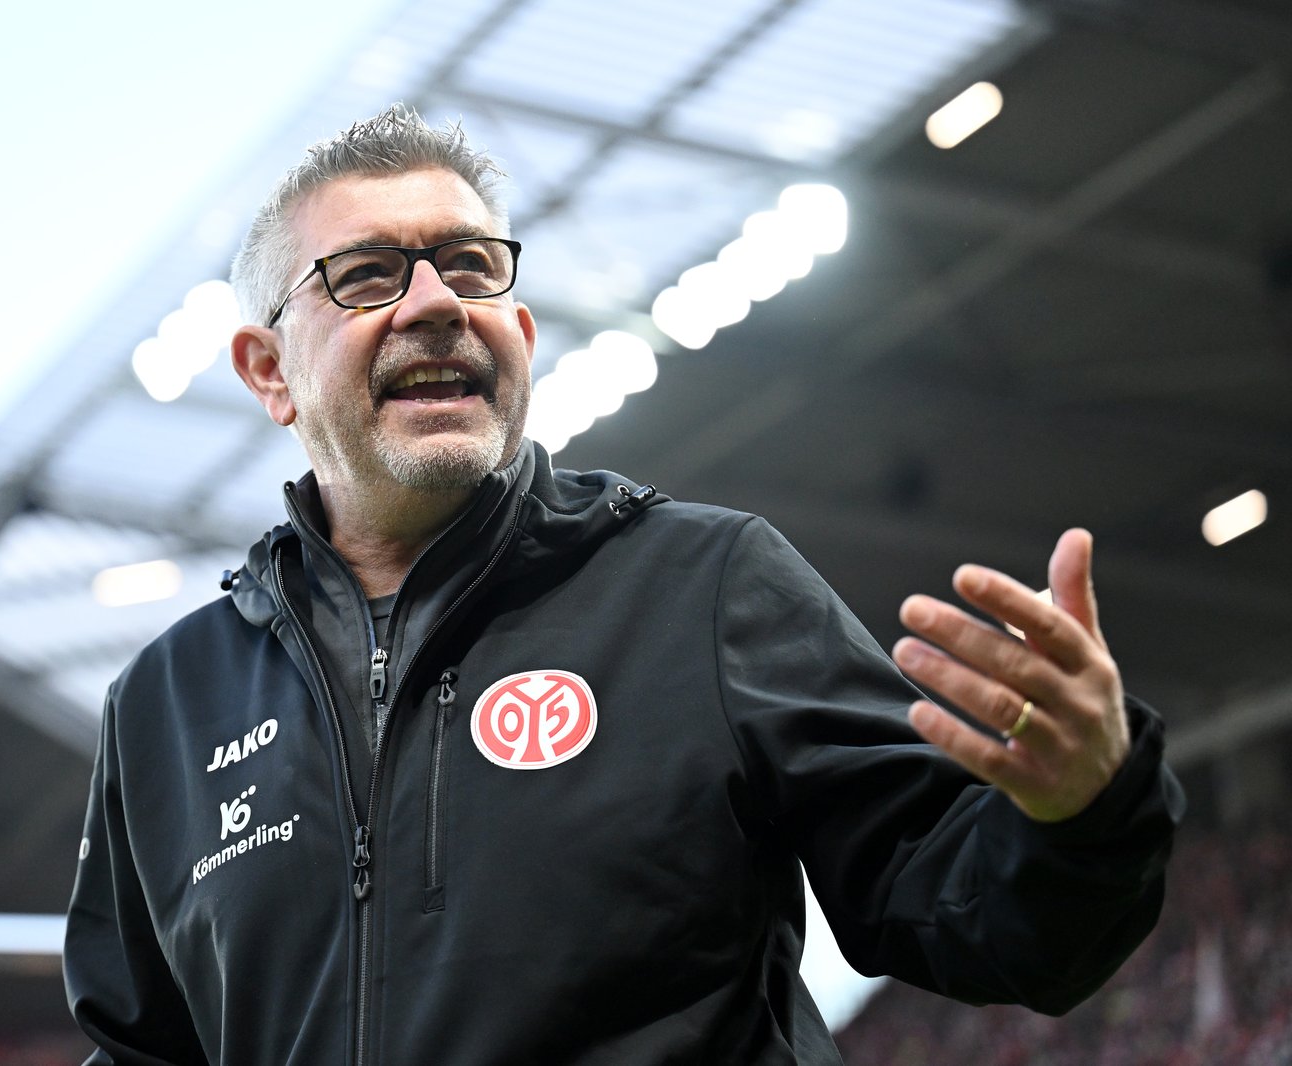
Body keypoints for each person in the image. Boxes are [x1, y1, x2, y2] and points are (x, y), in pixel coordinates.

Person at [63, 104, 1184, 1065]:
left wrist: (1083, 809)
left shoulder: (705, 584)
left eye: (469, 266)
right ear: (268, 372)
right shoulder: (167, 706)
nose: (433, 302)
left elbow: (975, 915)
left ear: (521, 333)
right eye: (365, 276)